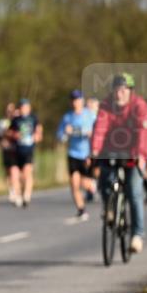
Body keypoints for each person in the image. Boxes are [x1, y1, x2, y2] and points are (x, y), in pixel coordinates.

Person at [91, 73, 147, 254]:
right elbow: (100, 128)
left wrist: (140, 155)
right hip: (112, 149)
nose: (119, 94)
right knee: (104, 180)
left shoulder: (139, 106)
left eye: (123, 90)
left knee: (134, 191)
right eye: (116, 90)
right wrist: (95, 150)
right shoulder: (106, 105)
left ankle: (137, 235)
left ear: (130, 91)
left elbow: (143, 133)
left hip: (134, 152)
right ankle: (109, 208)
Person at [56, 90, 97, 220]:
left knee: (85, 183)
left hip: (87, 154)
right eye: (73, 100)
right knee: (74, 184)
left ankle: (93, 185)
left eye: (78, 100)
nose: (75, 102)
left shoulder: (89, 115)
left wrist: (92, 134)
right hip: (73, 154)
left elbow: (100, 130)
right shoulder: (67, 117)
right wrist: (65, 133)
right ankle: (81, 209)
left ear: (82, 101)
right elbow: (60, 136)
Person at [8, 99, 43, 207]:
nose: (23, 109)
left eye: (25, 107)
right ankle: (18, 195)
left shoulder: (34, 118)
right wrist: (14, 135)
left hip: (28, 150)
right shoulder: (15, 120)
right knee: (14, 173)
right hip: (16, 151)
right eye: (22, 107)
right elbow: (9, 132)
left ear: (29, 108)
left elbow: (39, 132)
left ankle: (26, 196)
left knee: (26, 173)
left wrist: (37, 137)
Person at [0, 103, 18, 203]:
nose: (10, 112)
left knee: (14, 171)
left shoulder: (18, 120)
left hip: (17, 149)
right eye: (8, 110)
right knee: (8, 171)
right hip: (6, 149)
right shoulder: (2, 122)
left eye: (11, 110)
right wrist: (2, 141)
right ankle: (11, 190)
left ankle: (16, 191)